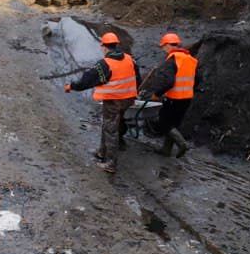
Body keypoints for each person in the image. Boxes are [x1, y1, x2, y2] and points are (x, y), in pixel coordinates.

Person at [65, 32, 139, 174]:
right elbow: (137, 77)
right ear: (117, 45)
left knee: (110, 129)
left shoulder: (104, 64)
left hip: (113, 101)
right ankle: (102, 151)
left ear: (104, 47)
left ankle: (111, 163)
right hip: (128, 99)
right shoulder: (130, 59)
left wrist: (72, 86)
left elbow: (87, 80)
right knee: (110, 124)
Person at [139, 32, 196, 157]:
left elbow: (168, 81)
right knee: (173, 124)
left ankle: (182, 144)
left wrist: (157, 94)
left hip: (174, 98)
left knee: (163, 122)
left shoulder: (172, 59)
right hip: (187, 98)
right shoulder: (190, 59)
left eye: (163, 47)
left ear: (168, 45)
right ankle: (166, 150)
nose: (163, 49)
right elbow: (195, 78)